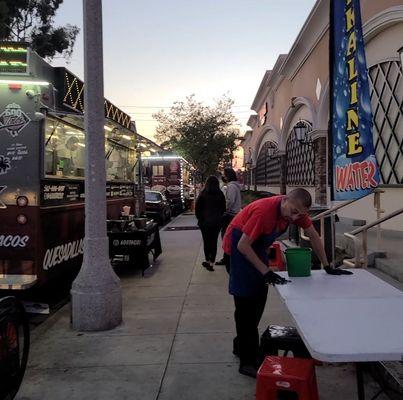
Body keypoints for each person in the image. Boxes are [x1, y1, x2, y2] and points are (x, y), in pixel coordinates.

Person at [222, 188, 352, 378]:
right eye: (293, 212)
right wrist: (266, 271)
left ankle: (241, 345)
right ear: (285, 201)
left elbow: (314, 235)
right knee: (246, 306)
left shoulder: (295, 211)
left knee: (258, 301)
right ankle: (247, 362)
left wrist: (327, 265)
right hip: (237, 250)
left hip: (255, 248)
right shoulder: (263, 212)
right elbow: (243, 245)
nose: (296, 217)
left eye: (301, 214)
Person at [195, 176, 226, 271]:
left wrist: (200, 219)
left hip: (205, 222)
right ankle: (212, 262)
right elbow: (223, 209)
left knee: (206, 242)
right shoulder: (220, 194)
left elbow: (197, 208)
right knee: (214, 242)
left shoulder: (203, 194)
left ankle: (207, 260)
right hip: (216, 222)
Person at [216, 168, 242, 270]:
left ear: (228, 176)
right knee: (228, 237)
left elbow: (229, 201)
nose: (223, 177)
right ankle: (227, 258)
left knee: (226, 237)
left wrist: (223, 210)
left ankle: (227, 259)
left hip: (230, 215)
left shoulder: (231, 187)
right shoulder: (235, 186)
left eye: (224, 175)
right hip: (233, 214)